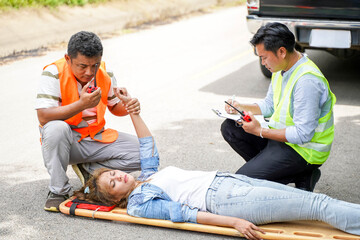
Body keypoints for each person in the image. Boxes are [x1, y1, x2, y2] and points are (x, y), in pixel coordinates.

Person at [74, 92, 360, 240]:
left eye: (112, 173)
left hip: (229, 183)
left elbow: (146, 142)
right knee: (317, 206)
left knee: (313, 202)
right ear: (115, 199)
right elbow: (187, 215)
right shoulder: (139, 202)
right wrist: (234, 223)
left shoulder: (146, 177)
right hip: (226, 202)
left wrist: (134, 112)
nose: (118, 176)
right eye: (113, 183)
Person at [220, 22, 336, 192]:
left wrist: (259, 131)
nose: (262, 62)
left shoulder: (307, 81)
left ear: (281, 51)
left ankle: (300, 172)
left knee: (242, 183)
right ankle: (294, 175)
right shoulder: (281, 68)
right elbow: (269, 105)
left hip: (304, 151)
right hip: (281, 140)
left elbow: (302, 134)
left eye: (264, 57)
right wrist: (240, 107)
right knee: (231, 127)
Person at [35, 31, 142, 212]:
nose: (89, 72)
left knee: (145, 152)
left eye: (95, 65)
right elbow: (43, 116)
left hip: (95, 138)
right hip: (67, 143)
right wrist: (81, 104)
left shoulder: (104, 73)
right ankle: (58, 191)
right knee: (55, 128)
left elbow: (114, 107)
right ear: (68, 59)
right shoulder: (53, 73)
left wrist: (129, 104)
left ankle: (90, 170)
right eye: (82, 66)